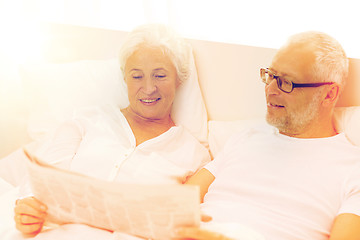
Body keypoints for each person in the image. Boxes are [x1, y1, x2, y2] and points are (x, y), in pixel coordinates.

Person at [13, 24, 210, 237]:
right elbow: (41, 183)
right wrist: (28, 210)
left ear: (178, 79)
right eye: (137, 76)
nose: (149, 88)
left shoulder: (194, 155)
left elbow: (187, 220)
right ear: (125, 78)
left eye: (160, 76)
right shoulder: (86, 121)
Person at [177, 31, 360, 240]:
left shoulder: (353, 168)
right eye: (271, 76)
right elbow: (178, 203)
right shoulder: (246, 138)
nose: (271, 90)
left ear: (329, 94)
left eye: (287, 82)